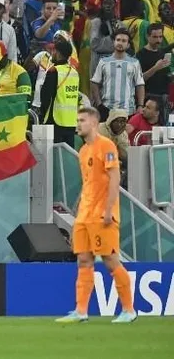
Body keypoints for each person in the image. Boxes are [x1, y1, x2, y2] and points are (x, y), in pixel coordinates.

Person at [56, 107, 138, 324]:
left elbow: (114, 179)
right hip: (85, 215)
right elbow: (87, 184)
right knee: (83, 260)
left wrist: (109, 209)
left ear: (93, 123)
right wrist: (78, 214)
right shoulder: (83, 151)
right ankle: (81, 310)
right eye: (77, 120)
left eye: (81, 120)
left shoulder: (107, 146)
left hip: (103, 214)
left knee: (111, 260)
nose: (77, 124)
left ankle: (129, 309)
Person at [39, 37, 80, 147]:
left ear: (57, 52)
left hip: (55, 120)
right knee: (68, 155)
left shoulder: (54, 71)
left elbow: (46, 96)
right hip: (71, 122)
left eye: (53, 50)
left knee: (54, 156)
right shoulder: (74, 73)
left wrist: (42, 115)